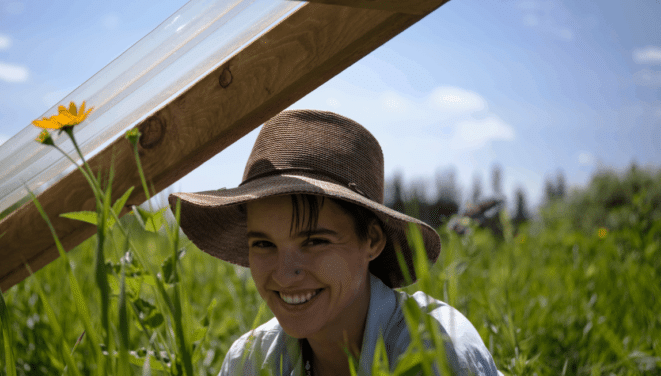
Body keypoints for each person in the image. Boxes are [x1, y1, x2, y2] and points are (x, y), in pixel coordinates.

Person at [169, 110, 502, 375]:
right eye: (264, 244)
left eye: (314, 241)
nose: (285, 276)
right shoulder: (252, 362)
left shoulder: (437, 354)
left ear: (371, 240)